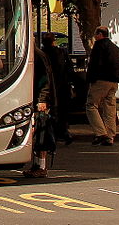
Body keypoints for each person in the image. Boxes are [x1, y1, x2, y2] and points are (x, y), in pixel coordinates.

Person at [85, 26, 119, 146]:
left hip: (101, 80)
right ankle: (110, 135)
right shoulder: (115, 47)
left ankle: (100, 133)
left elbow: (94, 64)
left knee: (91, 105)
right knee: (110, 108)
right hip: (114, 81)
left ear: (100, 34)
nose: (94, 36)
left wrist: (90, 79)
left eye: (95, 34)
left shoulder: (99, 46)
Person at [24, 46, 56, 178]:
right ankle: (37, 165)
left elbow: (45, 80)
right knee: (37, 134)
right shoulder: (34, 54)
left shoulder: (37, 55)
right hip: (37, 99)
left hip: (40, 102)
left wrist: (42, 100)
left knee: (41, 133)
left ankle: (41, 166)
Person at [41, 31, 75, 144]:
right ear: (53, 41)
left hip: (50, 86)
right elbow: (69, 68)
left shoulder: (43, 54)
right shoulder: (61, 52)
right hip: (63, 85)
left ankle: (55, 133)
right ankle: (64, 132)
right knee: (62, 110)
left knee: (51, 111)